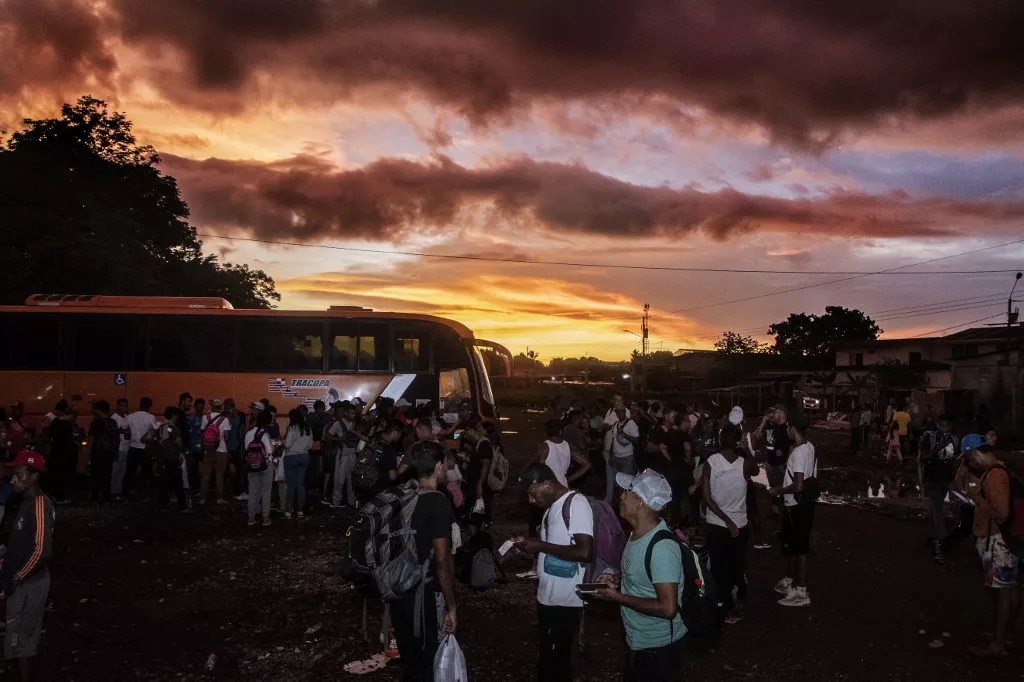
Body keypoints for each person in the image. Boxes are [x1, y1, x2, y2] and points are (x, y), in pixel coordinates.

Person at [593, 469, 685, 681]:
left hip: (659, 650)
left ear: (641, 502)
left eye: (629, 491)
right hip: (639, 641)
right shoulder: (637, 534)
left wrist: (617, 597)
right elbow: (643, 575)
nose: (622, 495)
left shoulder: (662, 548)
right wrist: (618, 579)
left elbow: (668, 608)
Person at [514, 463, 594, 682]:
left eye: (533, 494)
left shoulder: (576, 504)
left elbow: (585, 551)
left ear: (547, 484)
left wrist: (540, 546)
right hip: (549, 597)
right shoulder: (552, 507)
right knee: (550, 660)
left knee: (556, 663)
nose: (531, 500)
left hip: (565, 601)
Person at [390, 440, 458, 681]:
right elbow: (442, 558)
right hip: (423, 593)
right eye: (446, 463)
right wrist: (451, 606)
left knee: (410, 661)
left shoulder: (400, 496)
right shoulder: (438, 501)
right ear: (439, 466)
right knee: (428, 661)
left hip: (397, 587)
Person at [956, 445, 1021, 657]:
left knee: (1002, 591)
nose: (971, 465)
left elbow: (1000, 513)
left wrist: (977, 498)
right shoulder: (998, 471)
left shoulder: (994, 476)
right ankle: (1003, 635)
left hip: (997, 539)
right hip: (1005, 539)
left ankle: (997, 643)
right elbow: (962, 484)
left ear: (978, 454)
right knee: (1009, 588)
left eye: (971, 460)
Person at [2, 450, 55, 681]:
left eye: (19, 475)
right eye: (13, 475)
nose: (13, 480)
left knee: (21, 640)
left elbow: (42, 550)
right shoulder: (25, 503)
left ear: (33, 477)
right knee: (16, 637)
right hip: (21, 583)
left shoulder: (40, 505)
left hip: (29, 584)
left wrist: (17, 576)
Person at [703, 422, 758, 623]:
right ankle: (733, 597)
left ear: (720, 440)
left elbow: (707, 498)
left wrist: (725, 520)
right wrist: (745, 448)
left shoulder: (711, 462)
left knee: (719, 565)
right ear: (736, 441)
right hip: (739, 524)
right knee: (736, 562)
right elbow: (755, 470)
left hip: (717, 523)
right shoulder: (744, 463)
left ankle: (725, 604)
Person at [768, 416, 817, 607]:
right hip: (801, 504)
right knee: (792, 544)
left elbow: (798, 485)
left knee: (800, 548)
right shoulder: (809, 446)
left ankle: (801, 592)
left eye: (788, 428)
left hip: (796, 505)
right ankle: (789, 581)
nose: (786, 431)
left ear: (793, 429)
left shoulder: (798, 453)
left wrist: (777, 490)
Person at [918, 415, 959, 564]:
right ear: (937, 425)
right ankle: (941, 544)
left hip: (945, 481)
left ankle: (929, 534)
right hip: (932, 481)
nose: (945, 428)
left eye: (948, 425)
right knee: (939, 510)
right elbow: (923, 458)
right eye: (942, 425)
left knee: (936, 508)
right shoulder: (929, 438)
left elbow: (954, 460)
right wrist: (937, 448)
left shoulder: (954, 440)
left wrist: (954, 479)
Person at [754, 405, 790, 513]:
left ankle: (783, 509)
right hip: (769, 461)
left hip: (780, 462)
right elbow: (756, 437)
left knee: (782, 486)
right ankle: (775, 508)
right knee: (773, 486)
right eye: (769, 413)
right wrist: (763, 421)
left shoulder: (781, 426)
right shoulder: (765, 426)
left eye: (773, 413)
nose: (771, 415)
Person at [538, 419, 591, 488]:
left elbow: (539, 470)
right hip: (563, 485)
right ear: (560, 432)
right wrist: (569, 479)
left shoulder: (543, 447)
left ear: (546, 432)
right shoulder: (569, 446)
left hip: (548, 487)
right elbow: (587, 464)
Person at [460, 416, 494, 523]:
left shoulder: (484, 444)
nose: (477, 430)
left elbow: (486, 465)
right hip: (474, 482)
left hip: (477, 482)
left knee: (478, 507)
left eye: (480, 428)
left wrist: (480, 484)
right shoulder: (478, 443)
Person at [244, 410, 275, 526]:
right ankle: (265, 518)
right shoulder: (264, 434)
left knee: (252, 491)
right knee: (266, 491)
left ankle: (251, 518)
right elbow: (270, 450)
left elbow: (246, 448)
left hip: (251, 465)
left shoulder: (248, 433)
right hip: (265, 466)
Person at [199, 399, 232, 505]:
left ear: (212, 406)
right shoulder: (225, 419)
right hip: (221, 450)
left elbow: (203, 433)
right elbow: (226, 437)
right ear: (221, 407)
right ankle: (219, 498)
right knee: (219, 474)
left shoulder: (205, 417)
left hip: (208, 449)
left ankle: (202, 498)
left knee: (206, 474)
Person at [87, 400, 120, 507]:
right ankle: (106, 498)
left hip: (98, 452)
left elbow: (91, 439)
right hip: (109, 453)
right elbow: (116, 439)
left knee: (95, 475)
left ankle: (94, 498)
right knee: (107, 476)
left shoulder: (96, 422)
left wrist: (88, 456)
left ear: (98, 410)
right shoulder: (113, 422)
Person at [155, 407, 188, 512]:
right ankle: (182, 506)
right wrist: (182, 448)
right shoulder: (173, 428)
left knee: (163, 482)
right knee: (178, 482)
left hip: (161, 459)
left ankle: (163, 505)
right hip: (172, 458)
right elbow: (179, 442)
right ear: (174, 416)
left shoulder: (159, 427)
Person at [44, 400, 76, 504]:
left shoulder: (56, 422)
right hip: (63, 454)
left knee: (57, 475)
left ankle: (57, 495)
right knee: (64, 475)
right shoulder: (62, 423)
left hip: (57, 453)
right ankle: (62, 496)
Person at [282, 409, 313, 519]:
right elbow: (310, 445)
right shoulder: (308, 428)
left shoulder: (292, 428)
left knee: (291, 485)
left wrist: (282, 443)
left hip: (291, 457)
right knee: (300, 484)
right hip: (304, 456)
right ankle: (300, 510)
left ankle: (288, 510)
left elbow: (287, 444)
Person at [125, 397, 158, 498]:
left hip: (133, 446)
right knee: (147, 471)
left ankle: (128, 491)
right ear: (150, 406)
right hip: (146, 448)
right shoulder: (151, 417)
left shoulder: (130, 416)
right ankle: (148, 492)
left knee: (130, 470)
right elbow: (154, 431)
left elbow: (125, 429)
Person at [606, 407, 640, 503]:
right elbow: (613, 440)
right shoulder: (617, 423)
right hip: (616, 457)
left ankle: (628, 504)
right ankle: (621, 505)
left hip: (627, 458)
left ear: (624, 412)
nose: (618, 413)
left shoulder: (631, 423)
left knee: (627, 484)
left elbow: (637, 440)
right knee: (618, 484)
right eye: (617, 412)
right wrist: (611, 456)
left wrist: (624, 435)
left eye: (620, 411)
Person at [224, 399, 247, 501]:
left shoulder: (240, 416)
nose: (228, 409)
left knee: (238, 472)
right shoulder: (223, 417)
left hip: (236, 447)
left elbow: (243, 432)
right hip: (226, 448)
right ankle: (229, 492)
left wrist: (242, 447)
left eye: (229, 407)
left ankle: (237, 492)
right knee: (227, 472)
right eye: (226, 408)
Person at [110, 398, 132, 500]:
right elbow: (114, 432)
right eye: (123, 405)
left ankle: (119, 491)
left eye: (126, 405)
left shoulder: (127, 417)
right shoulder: (114, 418)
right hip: (118, 447)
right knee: (115, 470)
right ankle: (113, 492)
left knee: (122, 471)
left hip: (126, 447)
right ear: (118, 406)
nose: (125, 408)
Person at [186, 398, 207, 491]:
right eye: (199, 405)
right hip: (193, 446)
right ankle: (195, 486)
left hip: (202, 446)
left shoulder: (205, 418)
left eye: (201, 406)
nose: (200, 408)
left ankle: (202, 485)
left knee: (206, 466)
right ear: (195, 407)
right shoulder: (190, 418)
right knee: (193, 467)